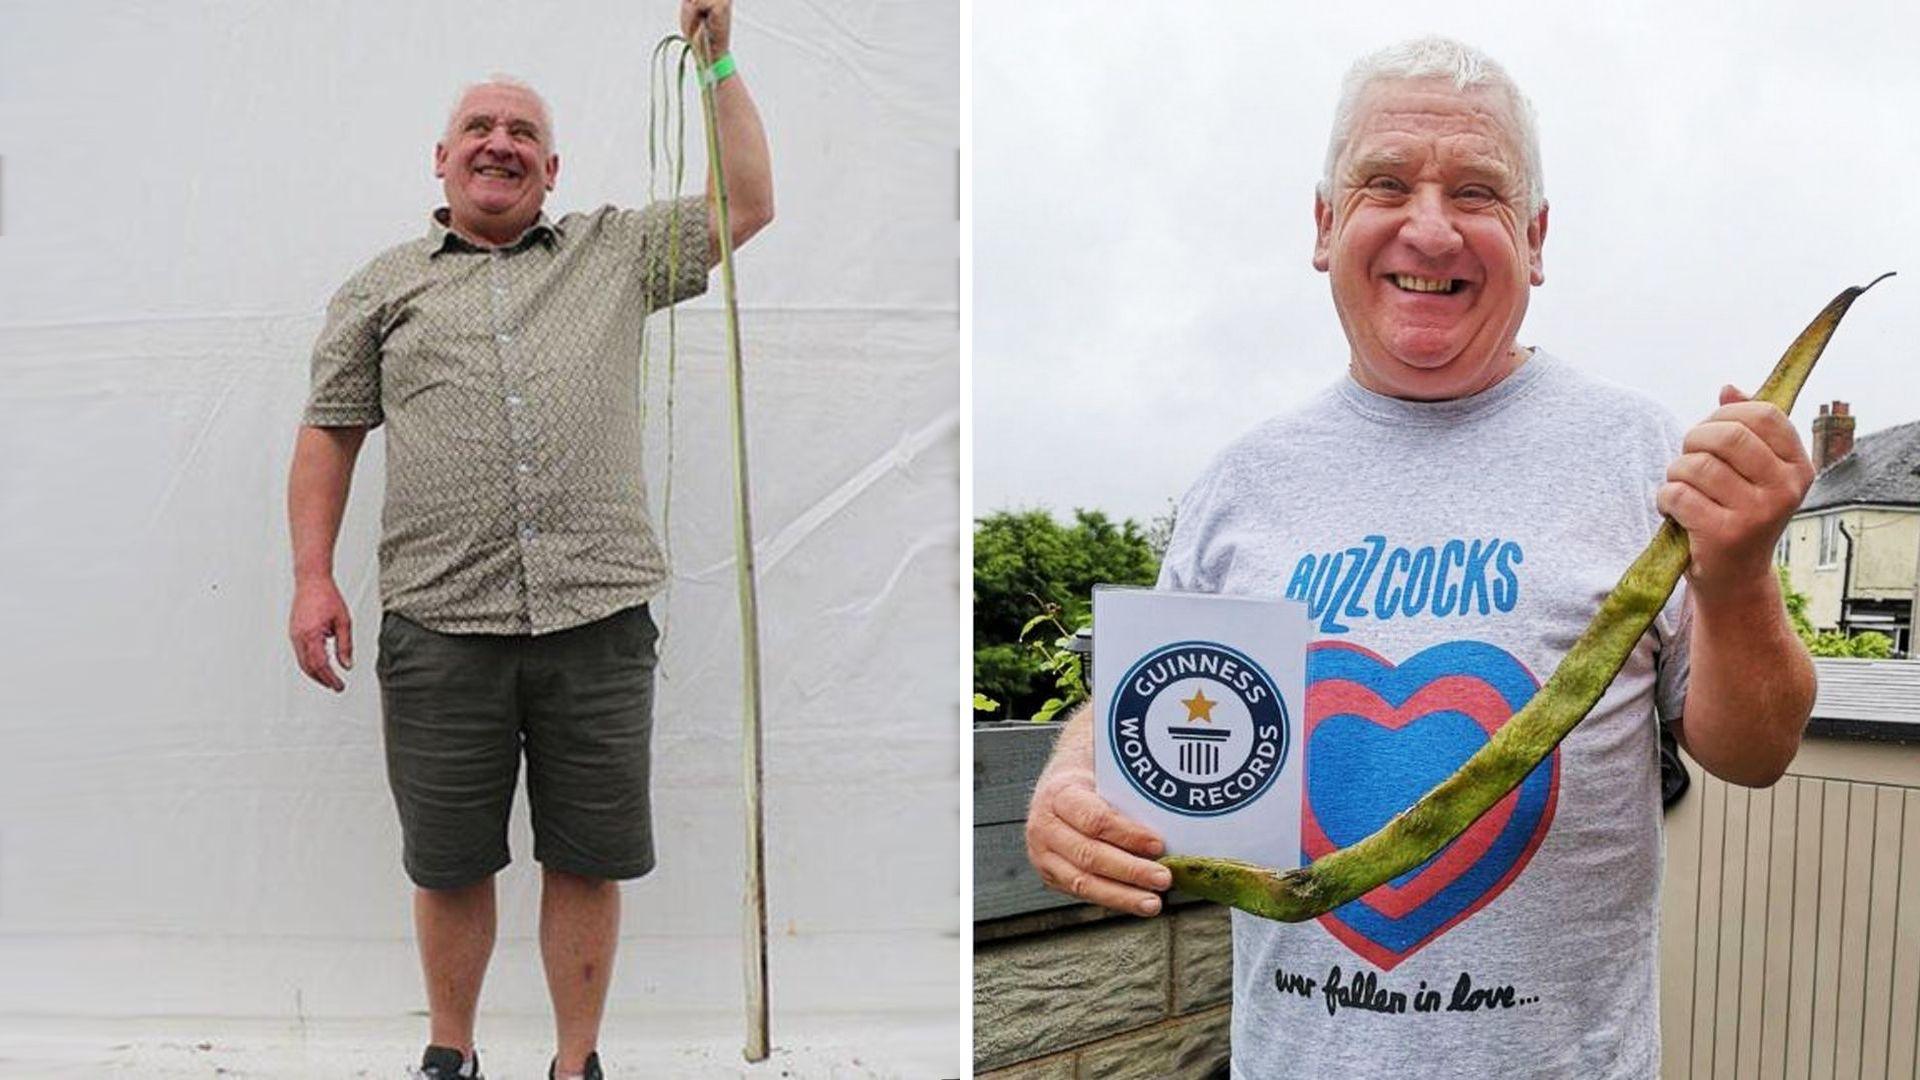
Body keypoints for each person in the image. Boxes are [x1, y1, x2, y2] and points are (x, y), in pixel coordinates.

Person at [1023, 36, 1814, 1078]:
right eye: (1386, 183)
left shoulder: (1641, 456)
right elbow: (1161, 704)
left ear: (1535, 239)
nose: (1430, 228)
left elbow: (1754, 753)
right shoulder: (1241, 484)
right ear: (1325, 225)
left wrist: (1740, 575)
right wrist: (1074, 776)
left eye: (1477, 192)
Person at [284, 3, 771, 1077]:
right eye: (479, 127)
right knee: (449, 861)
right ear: (442, 158)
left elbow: (746, 204)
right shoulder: (380, 286)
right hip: (438, 626)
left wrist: (716, 61)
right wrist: (313, 578)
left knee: (586, 856)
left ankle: (574, 1062)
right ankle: (451, 1054)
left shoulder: (616, 251)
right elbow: (329, 434)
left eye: (522, 133)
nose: (498, 142)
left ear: (552, 169)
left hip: (598, 620)